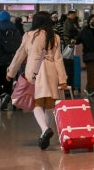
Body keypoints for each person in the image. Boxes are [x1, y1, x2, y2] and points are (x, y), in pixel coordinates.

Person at [5, 11, 67, 150]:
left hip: (34, 71)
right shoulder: (55, 37)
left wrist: (11, 71)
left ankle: (45, 130)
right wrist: (62, 79)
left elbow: (20, 54)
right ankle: (43, 133)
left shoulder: (29, 35)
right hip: (51, 72)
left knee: (36, 103)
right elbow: (58, 59)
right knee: (50, 103)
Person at [0, 10, 21, 109]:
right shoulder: (16, 29)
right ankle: (6, 100)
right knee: (8, 81)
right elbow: (19, 45)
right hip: (11, 61)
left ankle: (2, 94)